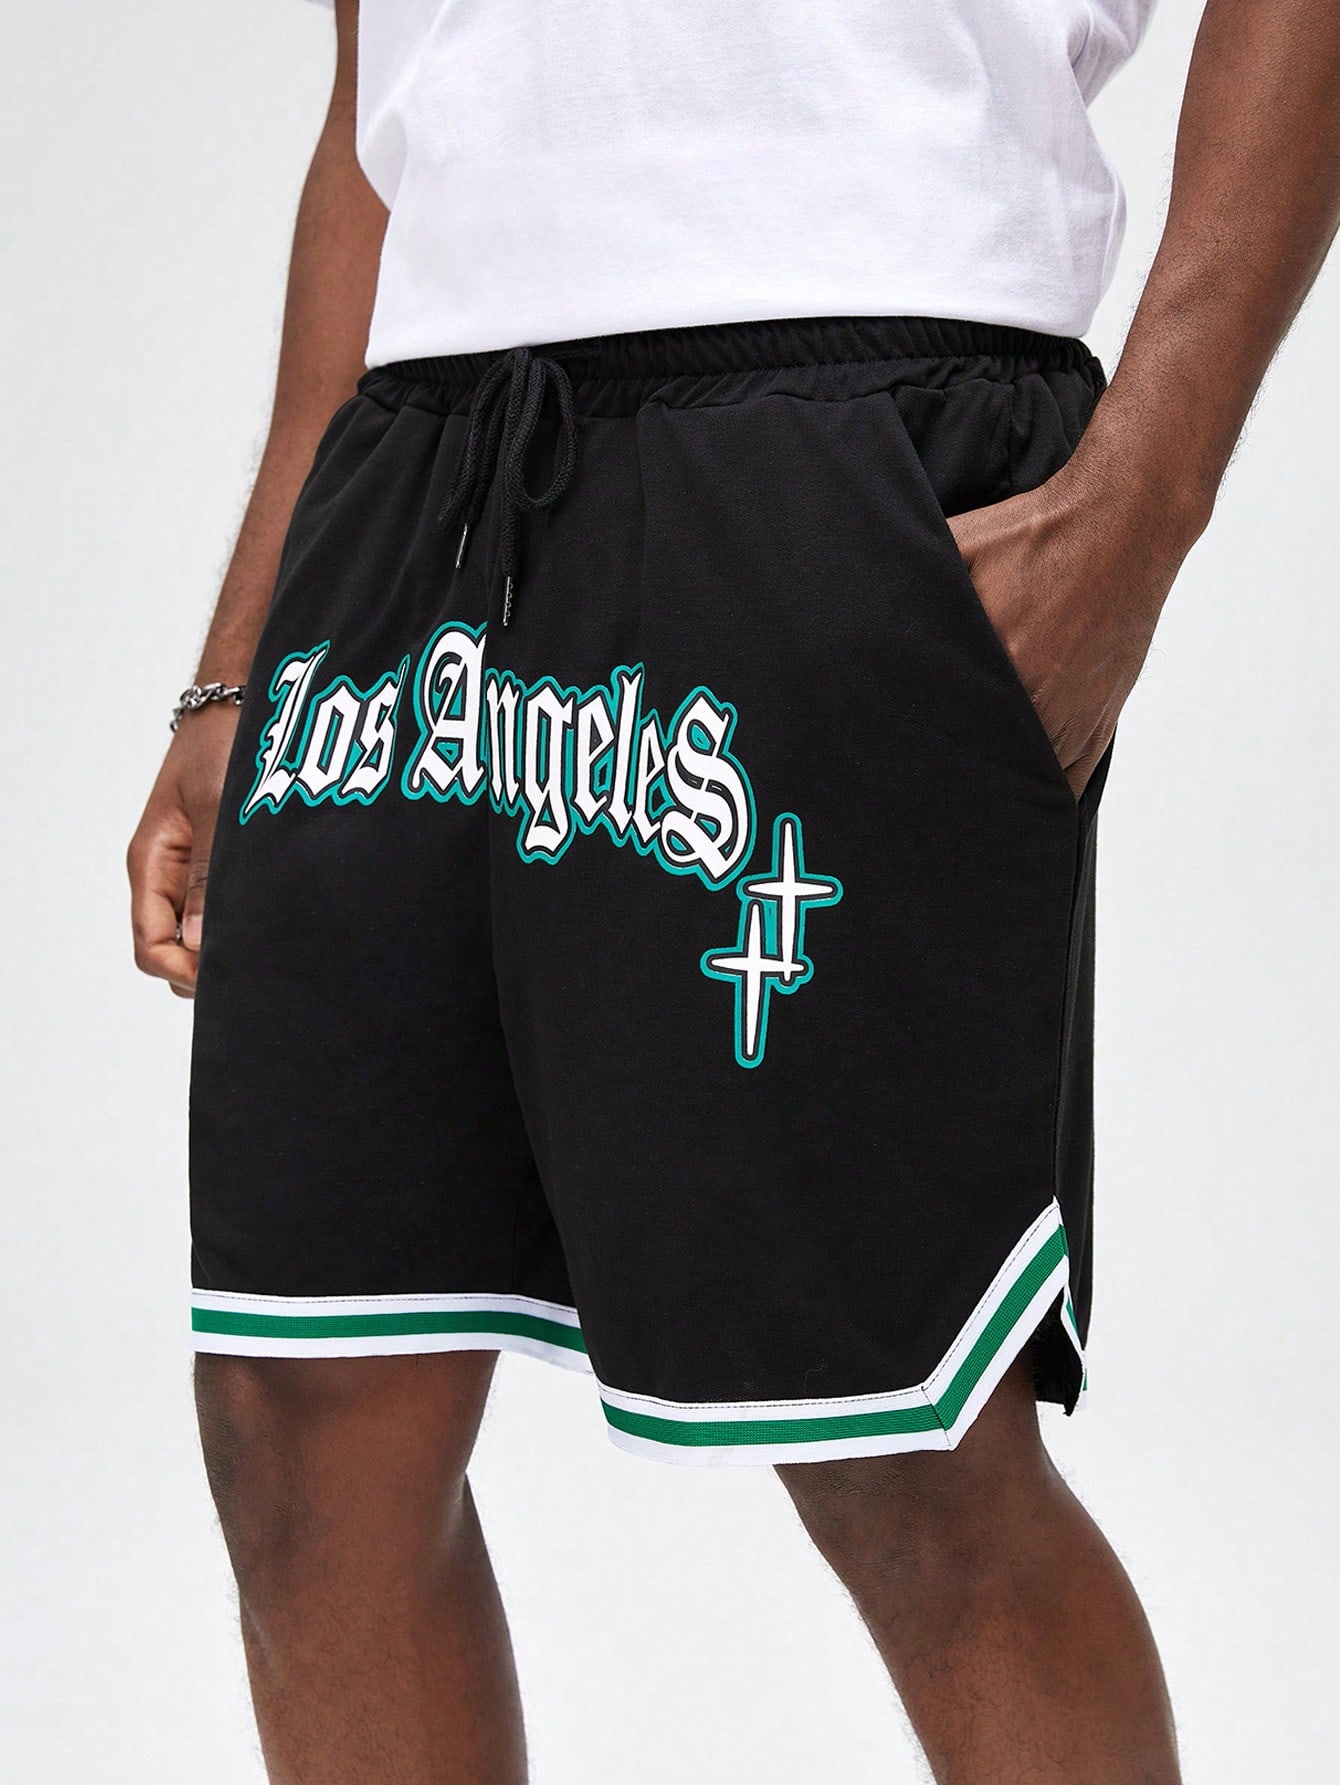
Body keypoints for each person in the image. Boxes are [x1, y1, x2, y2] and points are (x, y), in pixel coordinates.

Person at [127, 0, 1339, 1778]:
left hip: (854, 389)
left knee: (900, 1441)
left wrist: (1143, 502)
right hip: (415, 469)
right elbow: (377, 88)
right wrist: (242, 655)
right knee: (298, 1396)